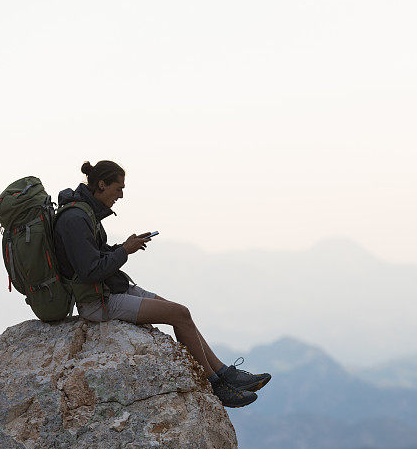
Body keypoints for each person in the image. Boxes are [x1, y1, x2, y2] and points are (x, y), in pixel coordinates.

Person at [53, 160, 270, 408]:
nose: (121, 195)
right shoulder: (75, 219)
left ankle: (225, 373)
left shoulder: (84, 212)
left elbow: (94, 257)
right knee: (179, 314)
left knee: (179, 311)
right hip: (97, 301)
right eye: (118, 188)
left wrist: (124, 246)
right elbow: (90, 271)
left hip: (109, 288)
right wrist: (125, 250)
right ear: (101, 184)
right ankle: (216, 385)